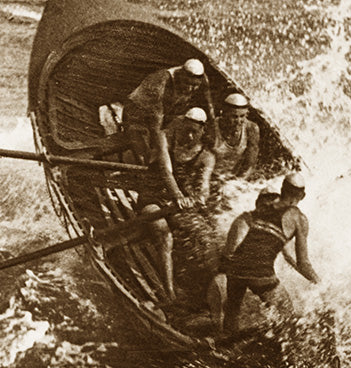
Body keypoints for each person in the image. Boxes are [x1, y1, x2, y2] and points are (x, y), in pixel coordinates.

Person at [101, 58, 213, 210]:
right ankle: (141, 184)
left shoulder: (201, 79)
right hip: (136, 116)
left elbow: (207, 104)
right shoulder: (160, 82)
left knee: (163, 152)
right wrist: (160, 151)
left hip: (162, 116)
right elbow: (156, 125)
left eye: (195, 85)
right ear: (180, 75)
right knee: (145, 156)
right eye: (187, 83)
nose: (190, 88)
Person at [217, 173, 319, 334]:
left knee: (233, 311)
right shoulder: (299, 219)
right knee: (287, 314)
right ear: (303, 196)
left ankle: (224, 340)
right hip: (260, 272)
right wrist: (319, 284)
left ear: (282, 189)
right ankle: (277, 341)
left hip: (235, 267)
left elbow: (252, 243)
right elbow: (303, 263)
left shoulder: (261, 208)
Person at [139, 107, 215, 301]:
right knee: (164, 235)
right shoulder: (164, 138)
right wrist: (179, 196)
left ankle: (203, 294)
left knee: (206, 239)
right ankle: (169, 293)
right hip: (152, 198)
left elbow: (204, 188)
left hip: (176, 206)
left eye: (194, 132)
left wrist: (198, 198)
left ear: (203, 131)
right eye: (186, 130)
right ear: (180, 125)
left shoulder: (206, 157)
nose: (189, 136)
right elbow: (166, 171)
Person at [212, 92, 260, 179]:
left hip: (234, 178)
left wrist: (237, 181)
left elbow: (249, 164)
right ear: (224, 114)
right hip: (211, 176)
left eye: (242, 116)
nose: (238, 121)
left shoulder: (251, 128)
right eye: (234, 117)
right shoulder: (211, 129)